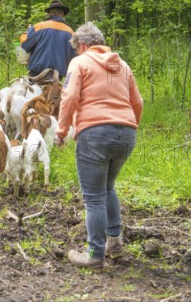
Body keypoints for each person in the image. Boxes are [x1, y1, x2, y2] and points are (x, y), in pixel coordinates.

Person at [55, 22, 143, 270]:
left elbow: (69, 97)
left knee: (93, 197)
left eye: (76, 49)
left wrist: (61, 131)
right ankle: (114, 242)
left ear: (81, 45)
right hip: (126, 133)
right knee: (107, 187)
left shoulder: (80, 63)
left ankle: (95, 254)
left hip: (94, 133)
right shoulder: (123, 66)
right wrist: (126, 126)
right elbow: (137, 102)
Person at [20, 0, 77, 83]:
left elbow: (25, 43)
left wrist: (28, 31)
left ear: (50, 13)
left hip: (37, 75)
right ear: (62, 15)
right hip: (57, 78)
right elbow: (74, 59)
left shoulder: (40, 26)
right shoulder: (70, 32)